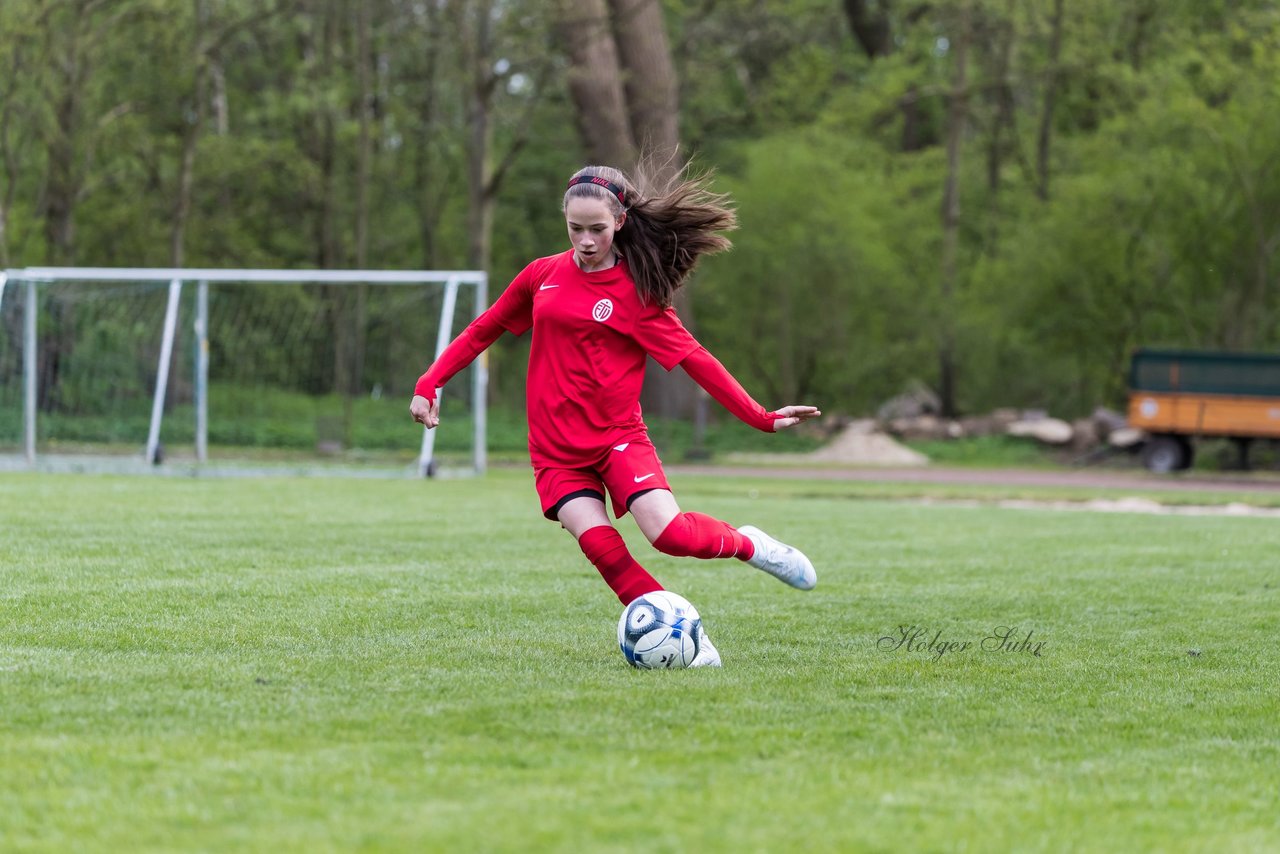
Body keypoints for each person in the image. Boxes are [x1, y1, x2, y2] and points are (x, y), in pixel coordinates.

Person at [410, 163, 820, 667]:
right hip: (555, 451)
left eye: (597, 229)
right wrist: (429, 383)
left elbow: (696, 359)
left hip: (617, 439)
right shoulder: (541, 276)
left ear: (620, 221)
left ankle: (750, 544)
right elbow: (482, 330)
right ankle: (687, 637)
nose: (585, 240)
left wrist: (760, 416)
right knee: (604, 550)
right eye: (575, 228)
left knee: (670, 536)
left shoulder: (637, 293)